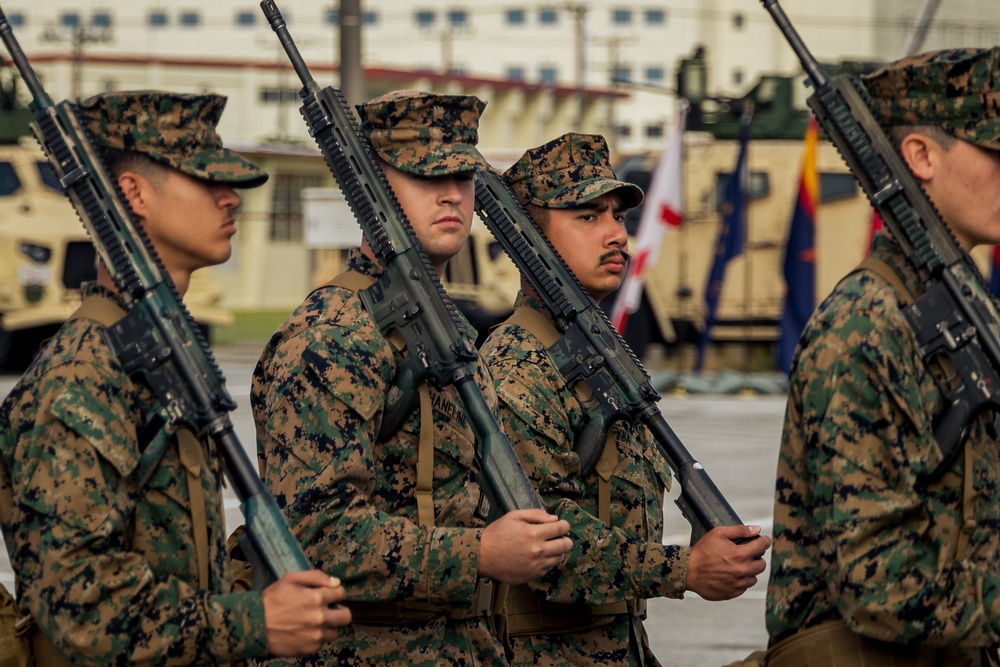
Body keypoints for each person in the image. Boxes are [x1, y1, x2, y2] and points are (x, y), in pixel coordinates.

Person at [0, 91, 351, 666]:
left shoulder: (159, 355)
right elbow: (79, 601)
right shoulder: (85, 374)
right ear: (134, 194)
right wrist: (252, 623)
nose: (229, 198)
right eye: (203, 179)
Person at [251, 90, 574, 666]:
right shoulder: (333, 335)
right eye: (427, 176)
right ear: (371, 189)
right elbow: (314, 535)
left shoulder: (447, 327)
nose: (452, 193)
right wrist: (478, 554)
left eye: (464, 175)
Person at [479, 132, 771, 667]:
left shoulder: (598, 353)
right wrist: (685, 569)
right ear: (531, 239)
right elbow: (543, 537)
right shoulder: (519, 361)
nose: (617, 233)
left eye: (617, 215)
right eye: (588, 217)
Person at [766, 48, 1000, 666]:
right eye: (995, 154)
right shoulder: (864, 328)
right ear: (921, 156)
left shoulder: (967, 311)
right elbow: (881, 585)